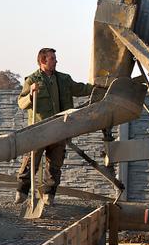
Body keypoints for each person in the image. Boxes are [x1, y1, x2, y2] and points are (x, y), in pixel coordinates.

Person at [15, 48, 93, 206]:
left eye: (55, 58)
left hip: (59, 128)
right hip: (39, 130)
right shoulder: (32, 80)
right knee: (31, 161)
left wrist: (99, 87)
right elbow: (21, 103)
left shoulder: (64, 79)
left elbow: (81, 89)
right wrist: (30, 95)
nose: (56, 61)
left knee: (55, 164)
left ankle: (49, 194)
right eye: (52, 58)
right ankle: (22, 191)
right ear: (43, 61)